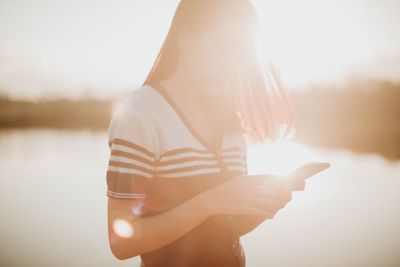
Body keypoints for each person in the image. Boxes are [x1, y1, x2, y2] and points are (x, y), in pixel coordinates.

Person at [105, 0, 299, 266]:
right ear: (185, 36)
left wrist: (268, 204)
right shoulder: (140, 114)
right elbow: (122, 243)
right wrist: (210, 202)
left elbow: (228, 227)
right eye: (223, 48)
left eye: (241, 56)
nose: (232, 67)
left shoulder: (230, 119)